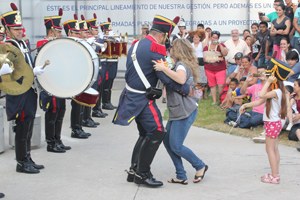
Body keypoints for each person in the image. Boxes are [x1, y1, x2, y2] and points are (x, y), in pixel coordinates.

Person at [113, 15, 192, 187]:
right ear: (162, 35)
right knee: (157, 131)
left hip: (131, 95)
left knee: (145, 133)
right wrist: (183, 89)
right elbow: (163, 76)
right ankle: (142, 173)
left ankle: (135, 169)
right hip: (142, 98)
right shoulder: (156, 49)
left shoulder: (136, 44)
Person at [152, 38, 208, 185]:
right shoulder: (181, 64)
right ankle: (180, 175)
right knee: (167, 141)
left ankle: (200, 165)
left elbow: (181, 80)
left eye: (171, 48)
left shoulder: (181, 65)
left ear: (176, 50)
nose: (169, 50)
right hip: (179, 110)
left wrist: (163, 69)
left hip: (184, 111)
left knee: (176, 145)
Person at [1, 3, 45, 173]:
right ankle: (21, 162)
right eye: (15, 28)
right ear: (7, 29)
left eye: (20, 27)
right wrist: (31, 71)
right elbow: (8, 71)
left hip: (29, 90)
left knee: (28, 124)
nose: (19, 31)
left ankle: (27, 157)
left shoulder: (22, 44)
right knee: (21, 127)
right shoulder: (6, 47)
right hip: (19, 92)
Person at [240, 66, 288, 184]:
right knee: (274, 149)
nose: (266, 78)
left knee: (270, 149)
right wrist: (245, 105)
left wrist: (267, 83)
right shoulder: (274, 92)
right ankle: (275, 173)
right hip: (272, 123)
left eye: (268, 77)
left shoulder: (275, 91)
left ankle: (274, 176)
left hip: (272, 123)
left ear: (273, 79)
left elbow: (261, 95)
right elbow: (259, 101)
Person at [37, 8, 71, 152]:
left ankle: (58, 139)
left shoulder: (55, 44)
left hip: (59, 85)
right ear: (51, 32)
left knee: (61, 110)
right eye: (58, 31)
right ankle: (51, 142)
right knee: (52, 112)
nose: (61, 34)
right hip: (50, 85)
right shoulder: (43, 45)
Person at [63, 14, 91, 139]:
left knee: (81, 103)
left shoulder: (77, 43)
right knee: (76, 104)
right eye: (75, 33)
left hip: (80, 77)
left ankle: (79, 126)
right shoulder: (66, 45)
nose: (79, 35)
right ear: (69, 32)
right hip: (72, 79)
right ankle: (75, 129)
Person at [79, 15, 100, 128]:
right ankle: (79, 124)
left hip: (89, 73)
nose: (87, 34)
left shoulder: (89, 41)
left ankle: (87, 117)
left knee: (88, 97)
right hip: (81, 75)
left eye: (87, 32)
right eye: (84, 32)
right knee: (79, 102)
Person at [87, 13, 108, 118]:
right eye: (95, 30)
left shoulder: (93, 40)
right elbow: (97, 49)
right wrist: (100, 39)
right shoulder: (90, 40)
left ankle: (97, 109)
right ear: (90, 30)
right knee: (91, 91)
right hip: (91, 69)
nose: (98, 32)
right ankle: (91, 113)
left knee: (98, 89)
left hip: (99, 67)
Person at [235, 65, 267, 130]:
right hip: (253, 112)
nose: (260, 74)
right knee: (231, 112)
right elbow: (242, 91)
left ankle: (239, 124)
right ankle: (253, 124)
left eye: (262, 72)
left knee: (253, 120)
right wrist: (247, 81)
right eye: (258, 72)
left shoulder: (270, 86)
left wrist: (266, 80)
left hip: (262, 113)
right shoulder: (255, 86)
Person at [203, 30, 228, 104]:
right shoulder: (206, 47)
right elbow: (205, 59)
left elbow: (225, 54)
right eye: (213, 37)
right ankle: (214, 101)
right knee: (212, 85)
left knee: (221, 85)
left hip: (220, 69)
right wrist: (216, 59)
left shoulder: (222, 46)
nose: (214, 39)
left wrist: (220, 45)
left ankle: (221, 100)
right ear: (210, 37)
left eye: (216, 38)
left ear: (218, 38)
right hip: (209, 69)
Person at [100, 18, 119, 110]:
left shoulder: (112, 37)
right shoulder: (102, 38)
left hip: (113, 62)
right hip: (107, 62)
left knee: (111, 82)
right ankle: (105, 102)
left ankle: (108, 101)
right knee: (106, 84)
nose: (110, 32)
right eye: (108, 30)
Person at [188, 29, 207, 99]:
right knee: (195, 79)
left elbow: (206, 47)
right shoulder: (191, 45)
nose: (195, 38)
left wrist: (207, 36)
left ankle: (204, 94)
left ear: (199, 38)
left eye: (196, 37)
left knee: (202, 79)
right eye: (194, 37)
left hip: (201, 63)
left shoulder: (202, 44)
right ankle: (197, 93)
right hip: (193, 63)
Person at [288, 79, 300, 151]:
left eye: (295, 85)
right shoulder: (293, 96)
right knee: (292, 136)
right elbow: (288, 107)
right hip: (293, 118)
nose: (293, 86)